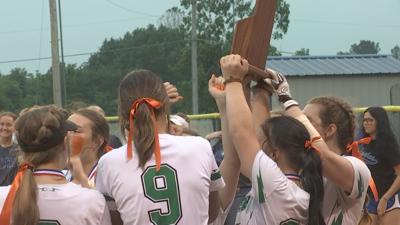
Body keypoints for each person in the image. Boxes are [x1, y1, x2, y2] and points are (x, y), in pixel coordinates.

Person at [95, 69, 224, 224]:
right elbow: (212, 212)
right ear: (165, 106)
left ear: (123, 114)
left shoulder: (109, 162)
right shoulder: (200, 146)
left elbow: (116, 221)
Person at [213, 55, 325, 225]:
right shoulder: (286, 187)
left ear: (274, 154)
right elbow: (239, 149)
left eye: (261, 143)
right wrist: (260, 93)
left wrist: (233, 79)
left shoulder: (275, 184)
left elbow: (242, 133)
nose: (255, 145)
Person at [264, 67, 371, 224]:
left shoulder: (358, 168)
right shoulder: (301, 166)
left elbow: (324, 157)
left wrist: (286, 99)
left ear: (329, 130)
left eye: (308, 120)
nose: (301, 124)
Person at [0, 105, 111, 225]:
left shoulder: (4, 196)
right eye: (70, 133)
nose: (72, 136)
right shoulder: (92, 200)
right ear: (65, 143)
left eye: (76, 131)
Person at [360, 107, 400, 225]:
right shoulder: (363, 143)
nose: (366, 123)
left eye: (370, 120)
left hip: (389, 198)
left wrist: (385, 199)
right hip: (370, 199)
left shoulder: (388, 145)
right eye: (364, 120)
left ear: (379, 122)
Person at [67, 109, 110, 185]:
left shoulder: (107, 180)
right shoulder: (60, 178)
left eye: (76, 131)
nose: (67, 136)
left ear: (97, 142)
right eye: (65, 130)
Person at [0, 112, 18, 186]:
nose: (4, 128)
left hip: (13, 193)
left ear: (15, 127)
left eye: (9, 125)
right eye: (2, 124)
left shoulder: (19, 150)